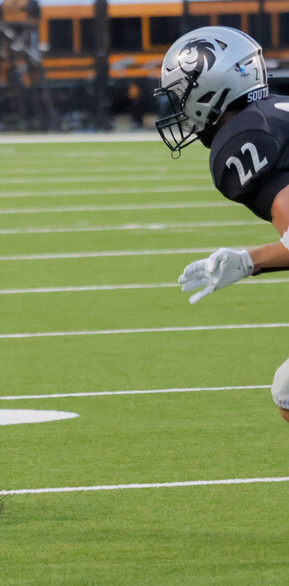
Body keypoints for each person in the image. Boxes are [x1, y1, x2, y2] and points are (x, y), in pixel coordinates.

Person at [154, 27, 289, 424]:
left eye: (181, 93)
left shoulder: (245, 138)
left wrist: (252, 260)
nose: (179, 106)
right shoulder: (276, 110)